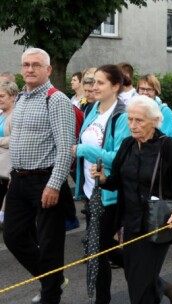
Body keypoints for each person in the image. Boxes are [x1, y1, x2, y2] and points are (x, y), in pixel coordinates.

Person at [92, 95, 172, 304]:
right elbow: (117, 181)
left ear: (154, 121)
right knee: (135, 275)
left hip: (157, 222)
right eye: (130, 119)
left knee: (139, 288)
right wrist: (102, 179)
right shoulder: (128, 145)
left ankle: (166, 291)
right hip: (131, 223)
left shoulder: (167, 147)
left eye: (139, 120)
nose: (133, 125)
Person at [4, 48, 75, 304]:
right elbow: (20, 139)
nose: (30, 69)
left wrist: (54, 184)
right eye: (26, 65)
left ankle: (50, 296)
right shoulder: (22, 98)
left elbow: (66, 146)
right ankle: (52, 279)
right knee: (12, 235)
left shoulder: (56, 100)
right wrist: (15, 172)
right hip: (19, 179)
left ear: (47, 70)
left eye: (36, 65)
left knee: (49, 244)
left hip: (46, 180)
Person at [73, 64, 131, 304]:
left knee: (98, 249)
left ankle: (103, 300)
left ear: (115, 86)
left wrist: (83, 150)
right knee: (100, 248)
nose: (92, 87)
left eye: (99, 83)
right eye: (91, 82)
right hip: (91, 190)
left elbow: (120, 156)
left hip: (112, 192)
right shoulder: (93, 109)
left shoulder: (123, 115)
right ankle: (152, 279)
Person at [137, 74, 172, 139]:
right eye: (142, 89)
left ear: (156, 92)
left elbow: (167, 139)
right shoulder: (135, 110)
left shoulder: (165, 111)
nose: (145, 92)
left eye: (149, 89)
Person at [0, 81, 17, 229]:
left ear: (12, 96)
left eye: (2, 96)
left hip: (8, 163)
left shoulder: (16, 115)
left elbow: (17, 139)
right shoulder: (0, 113)